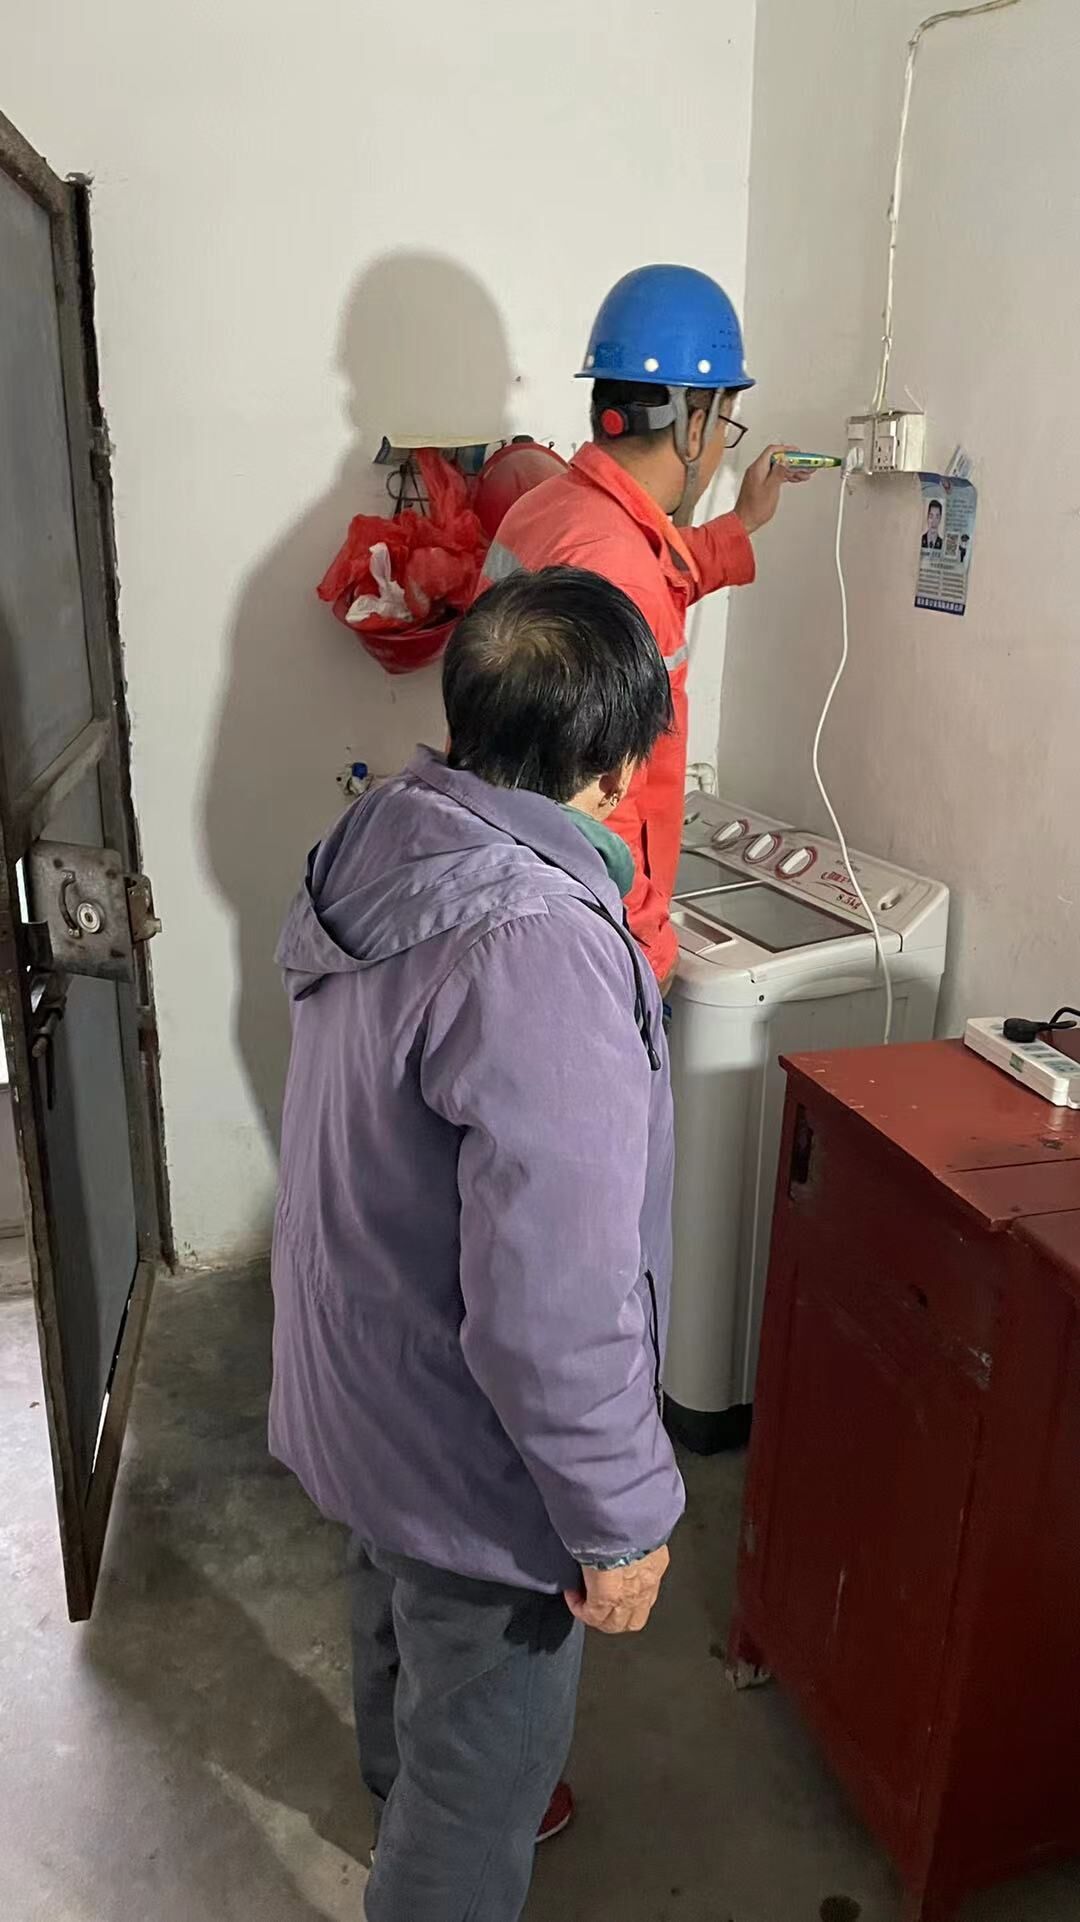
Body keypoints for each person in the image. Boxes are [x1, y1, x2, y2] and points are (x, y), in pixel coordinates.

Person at [270, 567, 685, 1922]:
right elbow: (553, 1306)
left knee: (393, 1615)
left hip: (363, 1382)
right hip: (470, 1451)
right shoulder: (536, 943)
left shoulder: (388, 835)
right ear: (615, 766)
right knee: (476, 1795)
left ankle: (396, 1787)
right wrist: (617, 1517)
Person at [479, 262, 811, 985]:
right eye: (724, 422)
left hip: (509, 880)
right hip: (589, 932)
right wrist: (644, 946)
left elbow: (647, 583)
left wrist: (742, 523)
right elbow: (601, 797)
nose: (719, 446)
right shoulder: (613, 558)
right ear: (693, 424)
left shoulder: (552, 508)